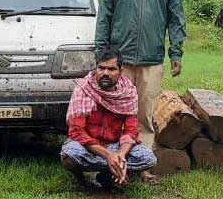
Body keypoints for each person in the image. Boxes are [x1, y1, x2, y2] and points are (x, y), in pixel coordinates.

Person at [94, 0, 186, 152]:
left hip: (151, 62)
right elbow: (104, 16)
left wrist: (176, 52)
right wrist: (101, 55)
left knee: (145, 116)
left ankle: (142, 163)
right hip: (119, 63)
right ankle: (114, 161)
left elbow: (176, 18)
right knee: (115, 112)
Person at [60, 46, 157, 189]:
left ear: (120, 71)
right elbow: (76, 132)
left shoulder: (128, 92)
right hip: (88, 146)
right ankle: (82, 181)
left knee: (148, 158)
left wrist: (120, 155)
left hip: (114, 145)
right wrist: (108, 155)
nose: (105, 73)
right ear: (96, 68)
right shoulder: (83, 89)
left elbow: (131, 131)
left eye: (111, 69)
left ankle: (107, 175)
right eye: (101, 68)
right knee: (69, 154)